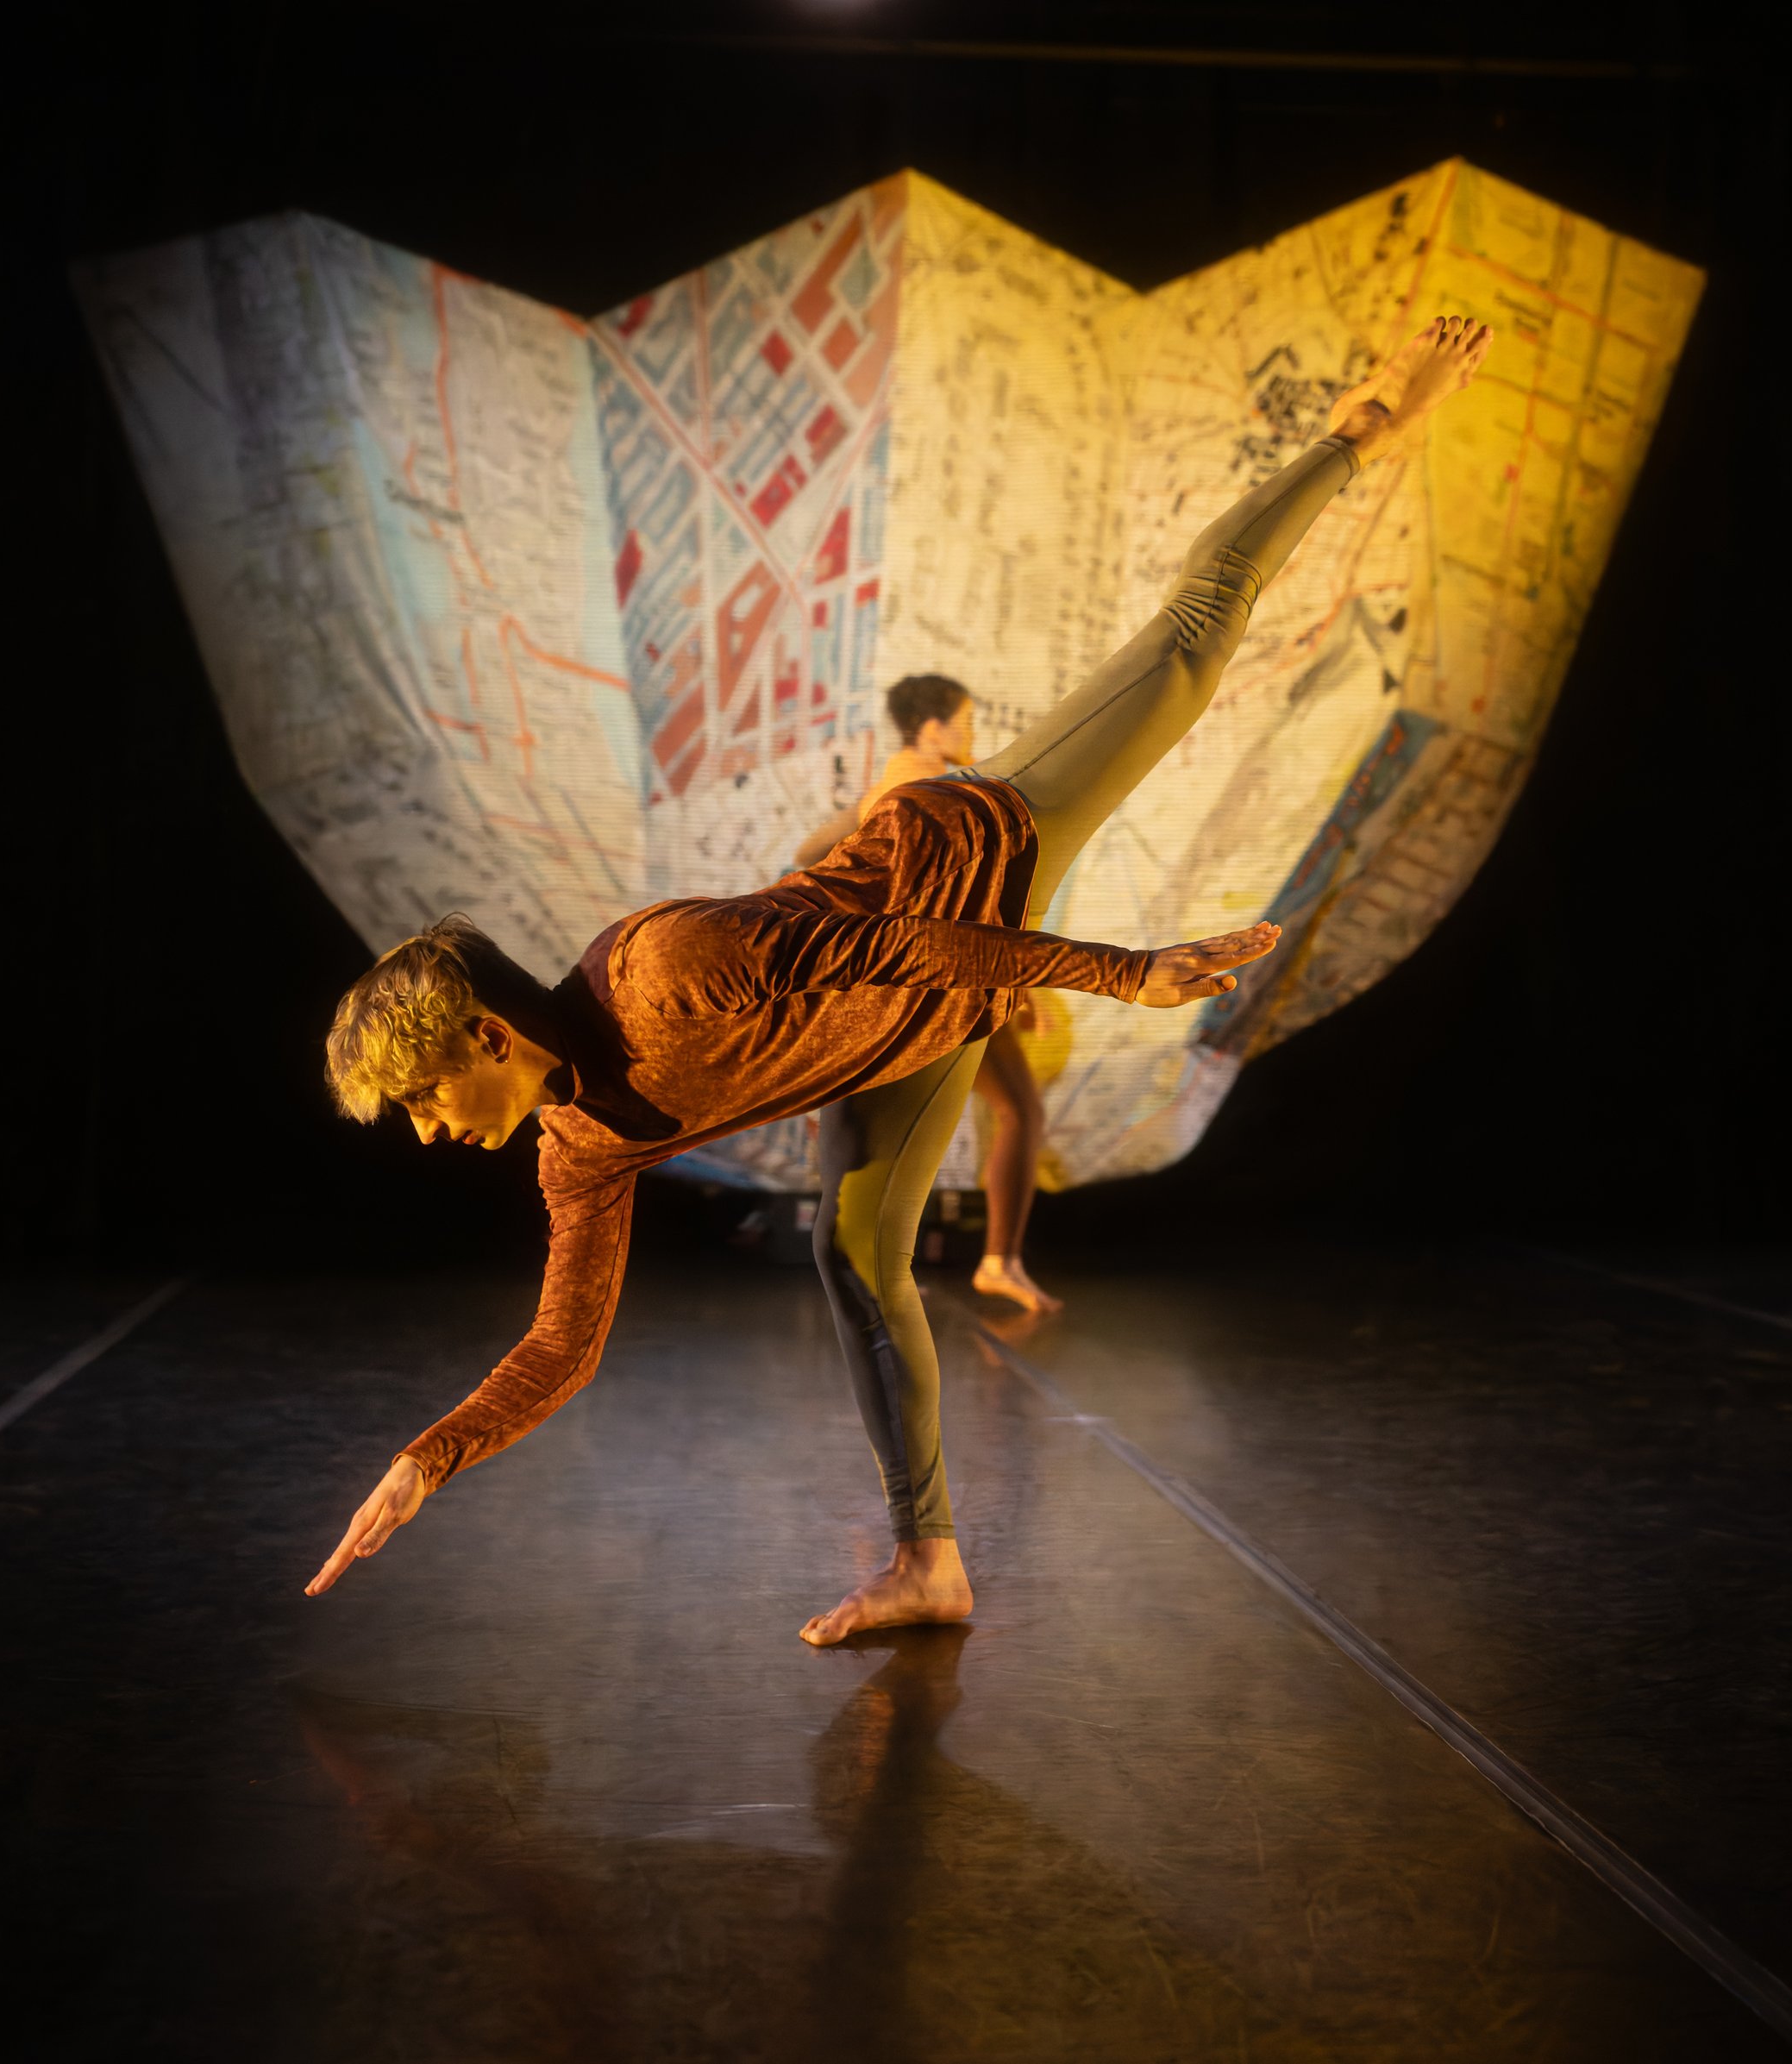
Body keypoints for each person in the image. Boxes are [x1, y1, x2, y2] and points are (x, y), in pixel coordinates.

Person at [305, 317, 1494, 1645]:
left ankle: (1363, 422)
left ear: (482, 1031)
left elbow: (911, 943)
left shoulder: (663, 967)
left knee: (1190, 641)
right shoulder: (575, 1149)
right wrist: (433, 1454)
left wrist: (1125, 972)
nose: (430, 1129)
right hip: (908, 1026)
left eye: (422, 1097)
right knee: (857, 1251)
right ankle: (930, 1564)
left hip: (971, 859)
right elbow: (561, 1349)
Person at [797, 674, 1063, 1314]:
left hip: (898, 977)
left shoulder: (886, 786)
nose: (972, 733)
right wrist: (1012, 979)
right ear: (935, 727)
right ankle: (994, 1260)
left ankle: (870, 1262)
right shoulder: (935, 787)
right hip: (941, 977)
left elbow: (811, 851)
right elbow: (948, 898)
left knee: (889, 1125)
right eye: (965, 719)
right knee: (1016, 1112)